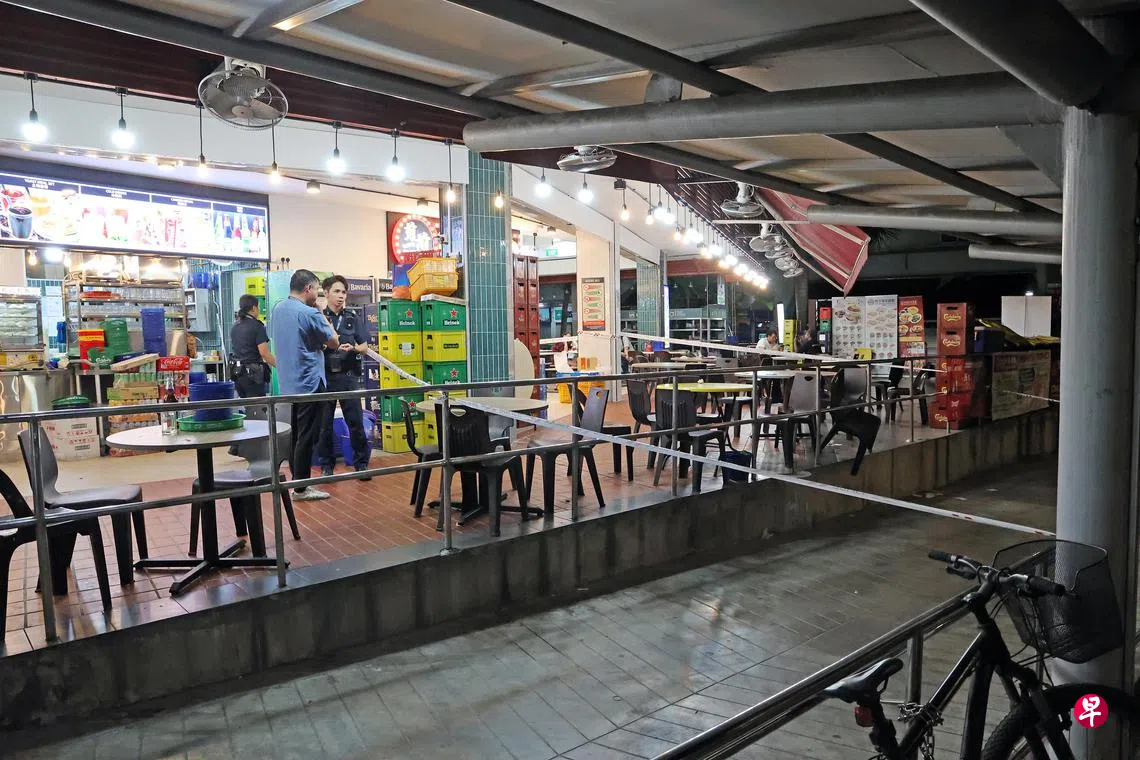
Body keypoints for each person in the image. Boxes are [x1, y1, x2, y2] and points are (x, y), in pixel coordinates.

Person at [268, 269, 340, 501]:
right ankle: (301, 487)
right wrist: (320, 313)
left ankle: (297, 481)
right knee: (308, 436)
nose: (317, 295)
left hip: (289, 382)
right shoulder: (310, 313)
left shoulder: (278, 309)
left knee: (297, 434)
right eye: (317, 290)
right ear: (308, 288)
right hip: (310, 382)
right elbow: (334, 342)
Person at [317, 275, 372, 480]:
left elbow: (365, 346)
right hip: (326, 379)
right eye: (336, 291)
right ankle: (326, 466)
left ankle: (361, 465)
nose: (341, 296)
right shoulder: (319, 317)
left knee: (355, 422)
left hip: (348, 378)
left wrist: (354, 348)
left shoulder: (352, 318)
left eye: (343, 292)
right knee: (324, 425)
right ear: (326, 293)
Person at [229, 294, 275, 399]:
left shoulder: (235, 326)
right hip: (253, 376)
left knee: (247, 405)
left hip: (238, 374)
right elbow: (264, 353)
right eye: (258, 307)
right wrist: (280, 366)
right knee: (258, 407)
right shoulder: (257, 326)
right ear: (254, 308)